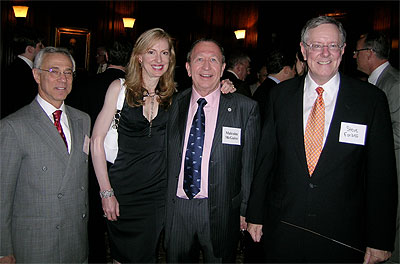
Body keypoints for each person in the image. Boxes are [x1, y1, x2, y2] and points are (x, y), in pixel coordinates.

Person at [246, 16, 397, 263]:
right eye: (316, 45)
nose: (325, 53)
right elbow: (266, 160)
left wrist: (380, 239)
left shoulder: (370, 100)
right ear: (304, 50)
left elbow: (382, 175)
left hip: (342, 235)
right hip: (284, 228)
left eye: (333, 45)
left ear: (343, 50)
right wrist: (255, 214)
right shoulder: (280, 97)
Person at [90, 28, 236, 263]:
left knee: (147, 255)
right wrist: (106, 192)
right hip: (122, 191)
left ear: (171, 59)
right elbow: (96, 142)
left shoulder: (175, 96)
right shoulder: (119, 88)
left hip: (157, 195)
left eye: (165, 53)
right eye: (151, 52)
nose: (158, 60)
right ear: (139, 56)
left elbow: (206, 94)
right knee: (121, 255)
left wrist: (224, 84)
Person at [164, 39, 260, 263]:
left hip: (222, 210)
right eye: (199, 60)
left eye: (213, 60)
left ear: (223, 67)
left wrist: (245, 210)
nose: (206, 67)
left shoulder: (245, 109)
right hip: (178, 209)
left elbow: (249, 166)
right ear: (188, 68)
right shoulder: (171, 104)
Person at [0, 47, 91, 263]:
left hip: (75, 239)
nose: (62, 79)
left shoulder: (83, 120)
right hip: (35, 242)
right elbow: (2, 194)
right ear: (36, 75)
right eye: (54, 70)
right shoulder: (13, 126)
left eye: (68, 72)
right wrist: (3, 249)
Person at [353, 31, 400, 262]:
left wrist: (364, 142)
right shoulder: (376, 83)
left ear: (369, 53)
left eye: (357, 52)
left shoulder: (393, 83)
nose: (354, 56)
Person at [86, 39, 132, 264]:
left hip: (93, 160)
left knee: (95, 221)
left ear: (107, 57)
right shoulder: (124, 85)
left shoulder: (90, 82)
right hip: (119, 162)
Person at [1, 28, 45, 118]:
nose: (44, 48)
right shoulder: (21, 72)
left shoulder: (15, 68)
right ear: (29, 49)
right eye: (40, 46)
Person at [252, 48, 296, 125]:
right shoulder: (277, 92)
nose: (295, 73)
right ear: (286, 70)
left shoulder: (264, 88)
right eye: (294, 70)